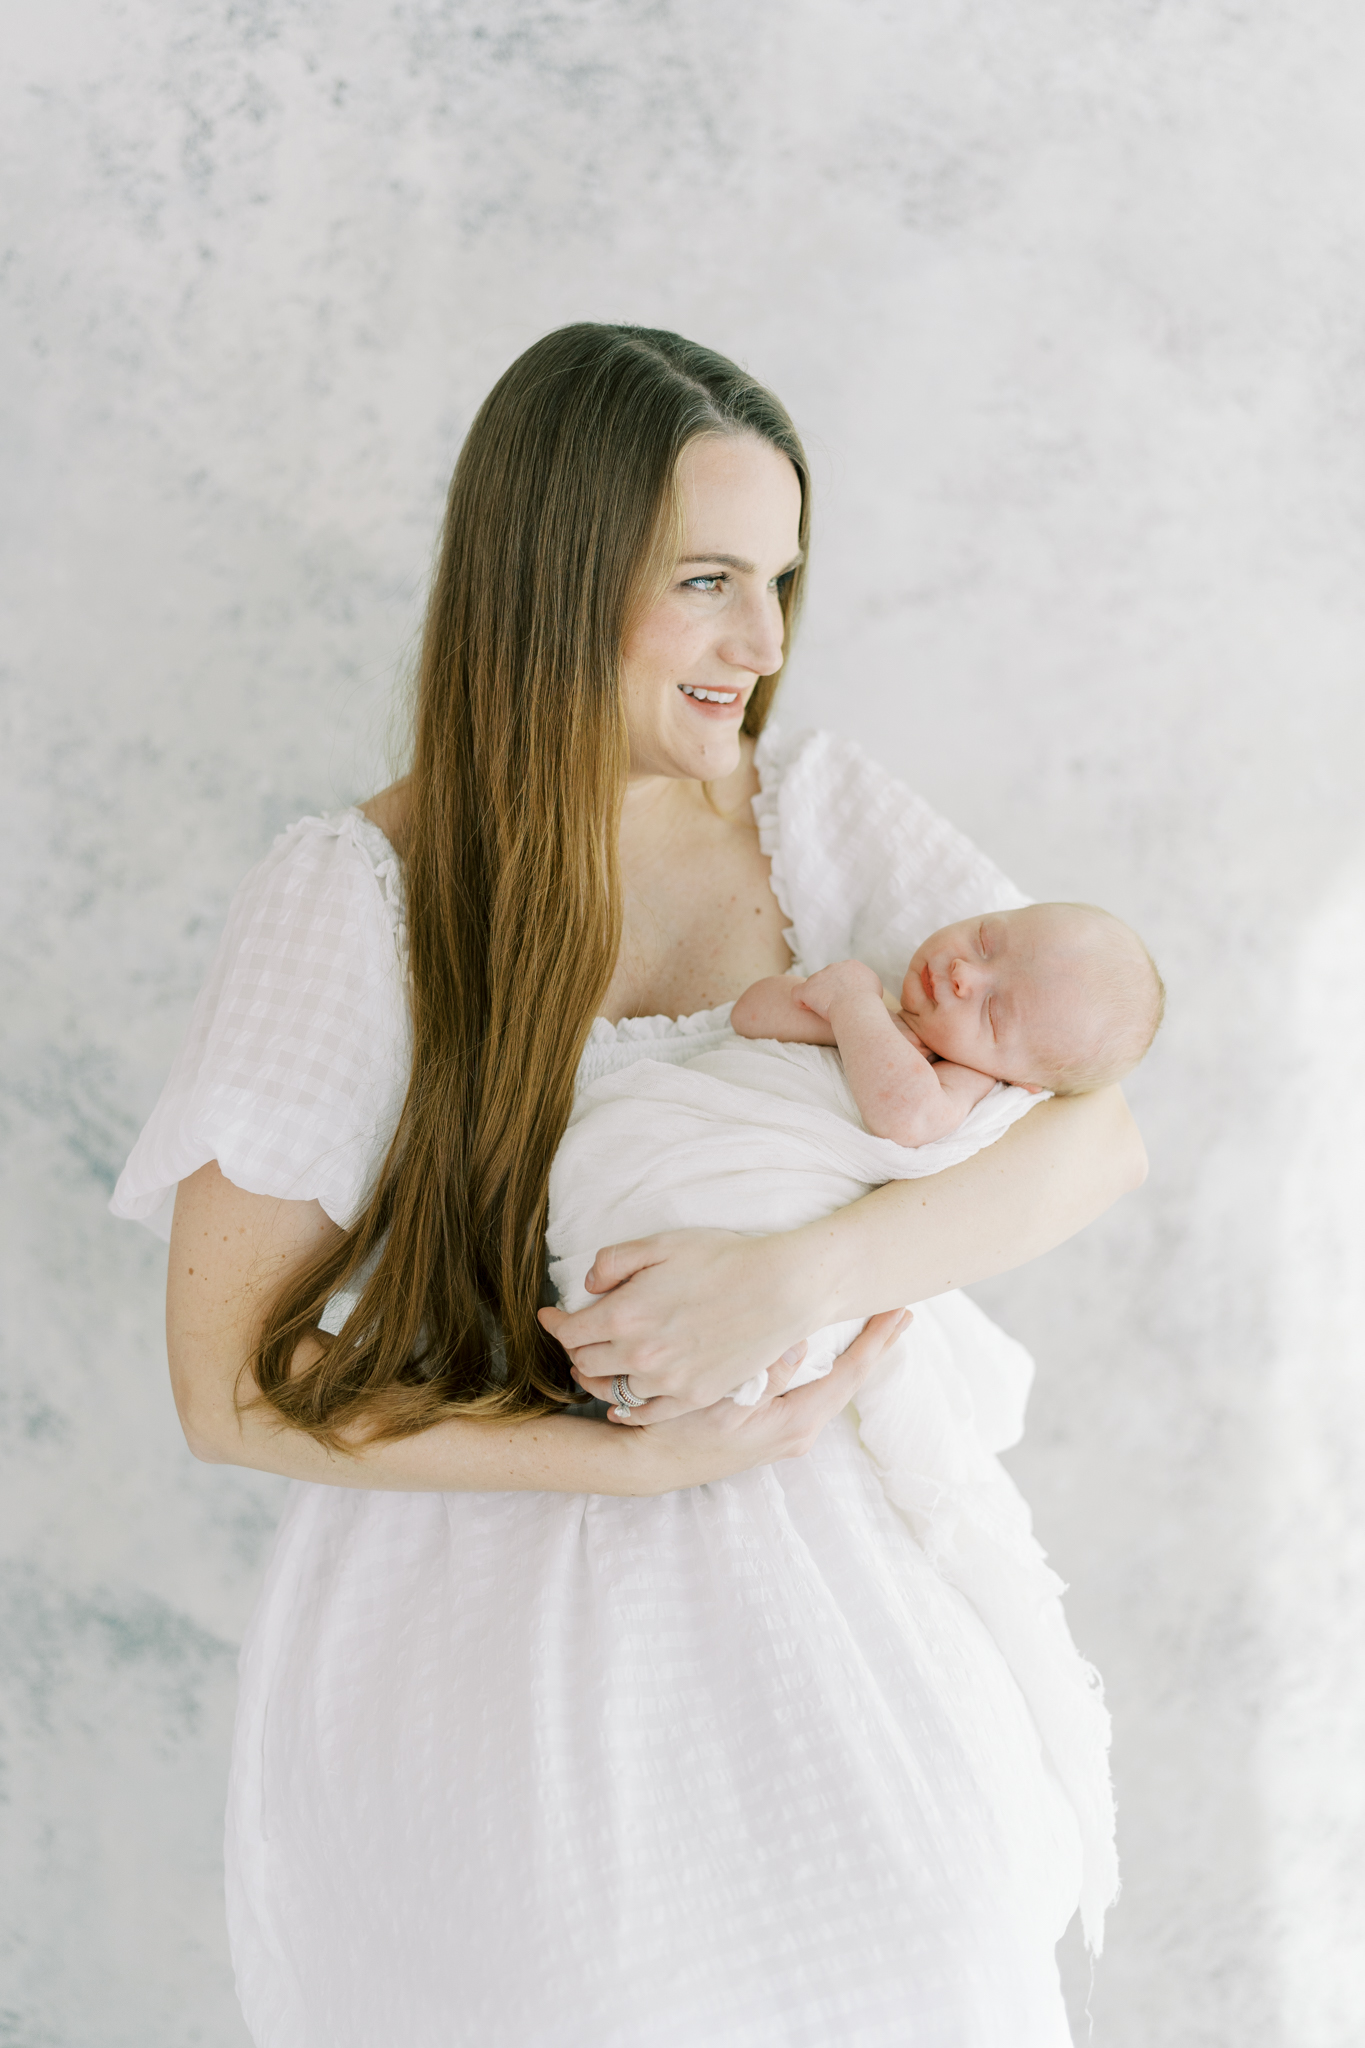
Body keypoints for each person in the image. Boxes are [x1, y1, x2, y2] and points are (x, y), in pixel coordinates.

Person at [112, 323, 1148, 2047]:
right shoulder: (358, 894)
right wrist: (639, 1454)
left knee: (942, 1957)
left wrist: (792, 1285)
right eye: (711, 579)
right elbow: (228, 1387)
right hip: (494, 1628)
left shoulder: (820, 822)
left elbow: (1096, 1130)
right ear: (557, 574)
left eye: (785, 580)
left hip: (836, 1597)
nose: (766, 641)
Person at [732, 900, 1165, 1145]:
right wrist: (855, 1020)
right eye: (985, 941)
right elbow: (747, 1013)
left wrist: (852, 1010)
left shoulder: (965, 1080)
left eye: (993, 1011)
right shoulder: (874, 1006)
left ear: (1020, 1082)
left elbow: (910, 1117)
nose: (963, 973)